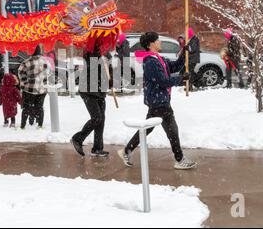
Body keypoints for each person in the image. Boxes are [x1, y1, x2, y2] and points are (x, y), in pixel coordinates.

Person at [117, 32, 197, 170]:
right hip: (157, 100)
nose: (160, 42)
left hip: (161, 100)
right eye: (157, 40)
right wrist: (181, 79)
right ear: (151, 44)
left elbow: (175, 66)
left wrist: (184, 53)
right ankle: (179, 159)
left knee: (153, 129)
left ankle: (127, 150)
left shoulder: (159, 58)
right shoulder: (150, 62)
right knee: (170, 130)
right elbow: (163, 81)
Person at [70, 39, 112, 157]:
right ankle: (77, 139)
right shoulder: (91, 52)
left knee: (101, 120)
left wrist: (110, 81)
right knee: (96, 118)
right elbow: (95, 68)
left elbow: (103, 72)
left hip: (99, 91)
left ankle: (97, 148)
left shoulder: (102, 55)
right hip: (89, 91)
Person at [18, 45, 50, 129]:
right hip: (42, 89)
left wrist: (24, 83)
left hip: (29, 89)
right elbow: (48, 74)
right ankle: (40, 125)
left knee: (26, 108)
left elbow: (21, 73)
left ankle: (23, 125)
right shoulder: (46, 62)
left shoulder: (26, 62)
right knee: (40, 107)